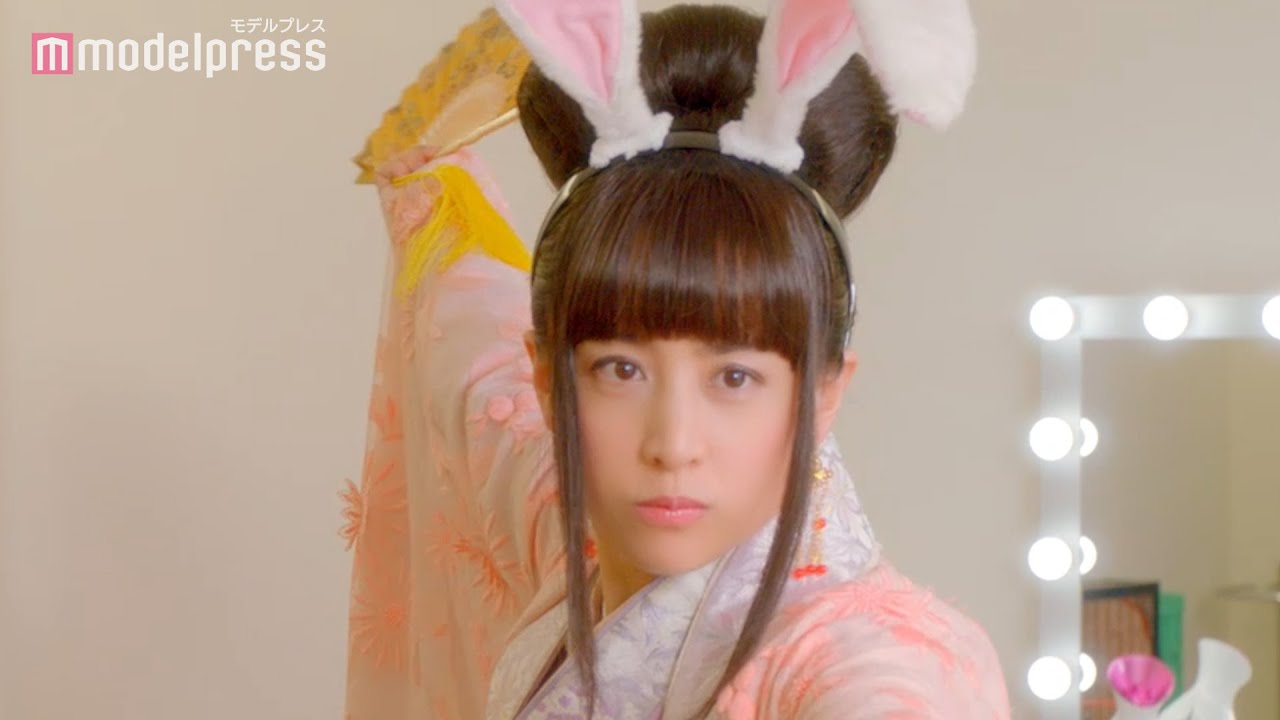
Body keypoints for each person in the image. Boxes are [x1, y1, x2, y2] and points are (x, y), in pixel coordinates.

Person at [341, 1, 1010, 718]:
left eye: (734, 377)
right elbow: (476, 360)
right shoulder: (569, 523)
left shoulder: (867, 658)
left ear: (824, 393)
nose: (672, 444)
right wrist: (427, 198)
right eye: (621, 369)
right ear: (546, 377)